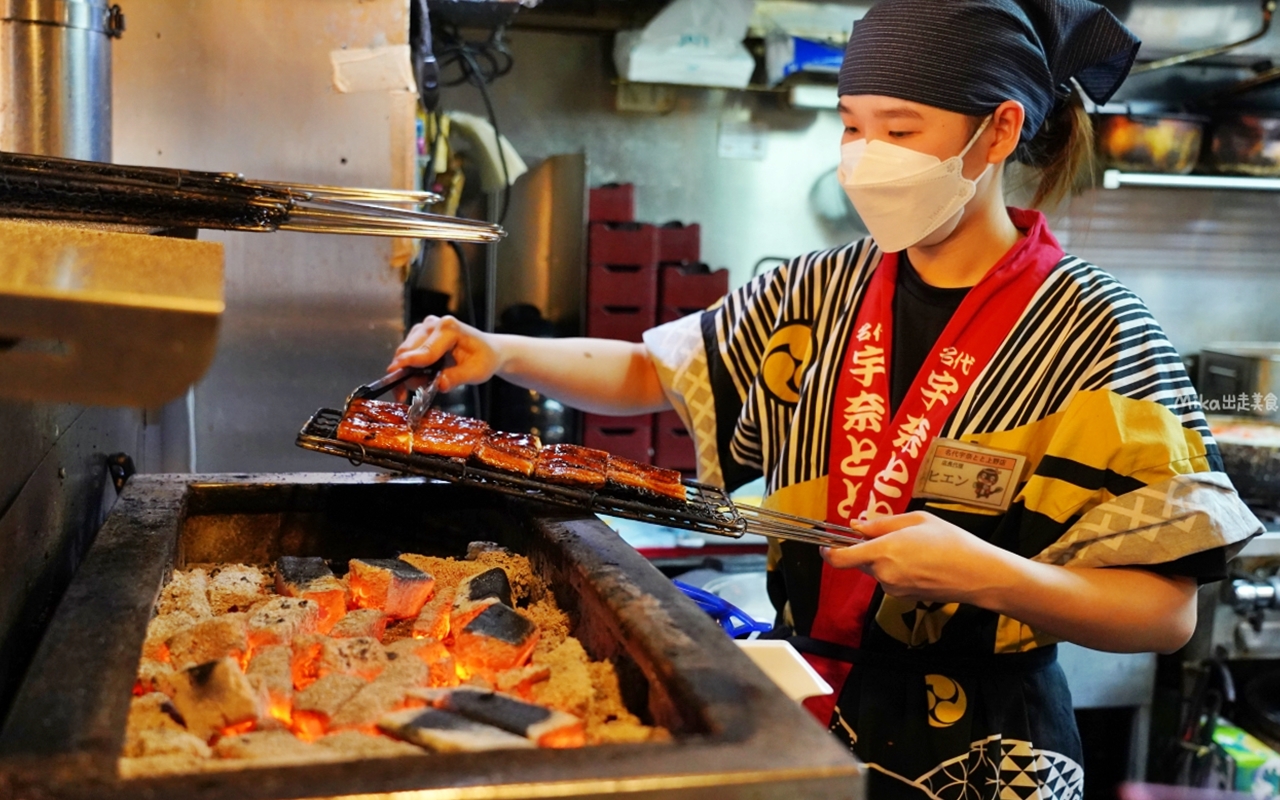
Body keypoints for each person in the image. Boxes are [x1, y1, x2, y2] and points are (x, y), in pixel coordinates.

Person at [389, 1, 1262, 796]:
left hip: (991, 747)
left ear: (998, 132)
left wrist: (993, 577)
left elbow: (1166, 612)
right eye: (852, 127)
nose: (865, 157)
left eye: (900, 128)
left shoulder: (1097, 328)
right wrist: (497, 351)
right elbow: (655, 370)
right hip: (808, 710)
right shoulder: (820, 287)